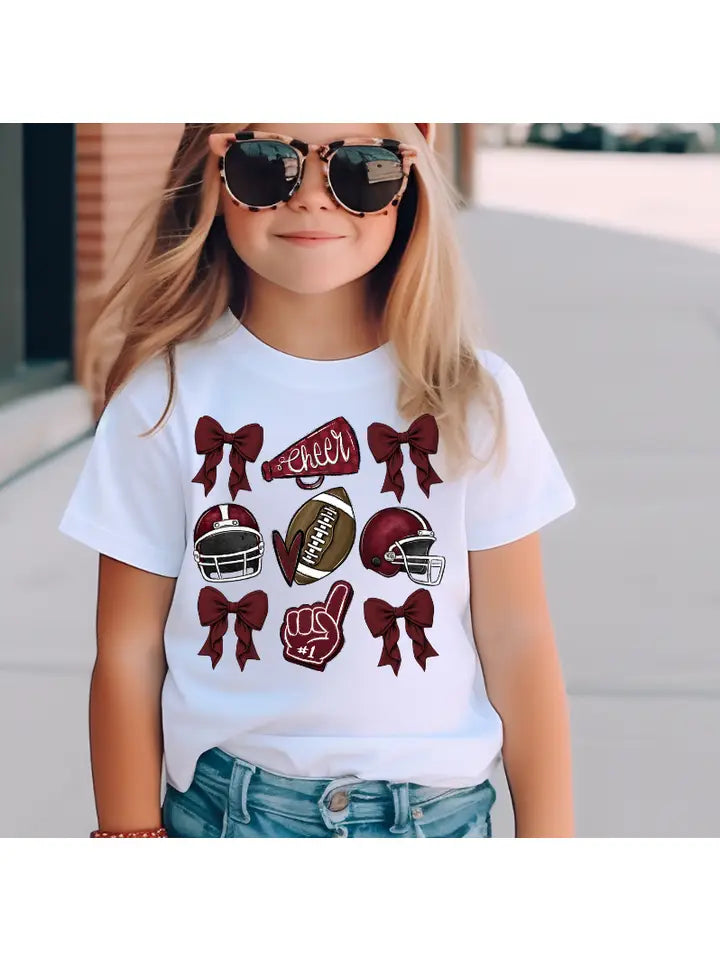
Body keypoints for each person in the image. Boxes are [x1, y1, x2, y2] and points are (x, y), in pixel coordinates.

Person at [58, 122, 577, 839]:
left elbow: (517, 635)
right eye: (267, 163)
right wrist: (127, 837)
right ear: (214, 174)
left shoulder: (472, 394)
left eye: (359, 168)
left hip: (438, 819)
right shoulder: (164, 398)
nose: (311, 199)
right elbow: (127, 648)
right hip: (227, 816)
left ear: (411, 169)